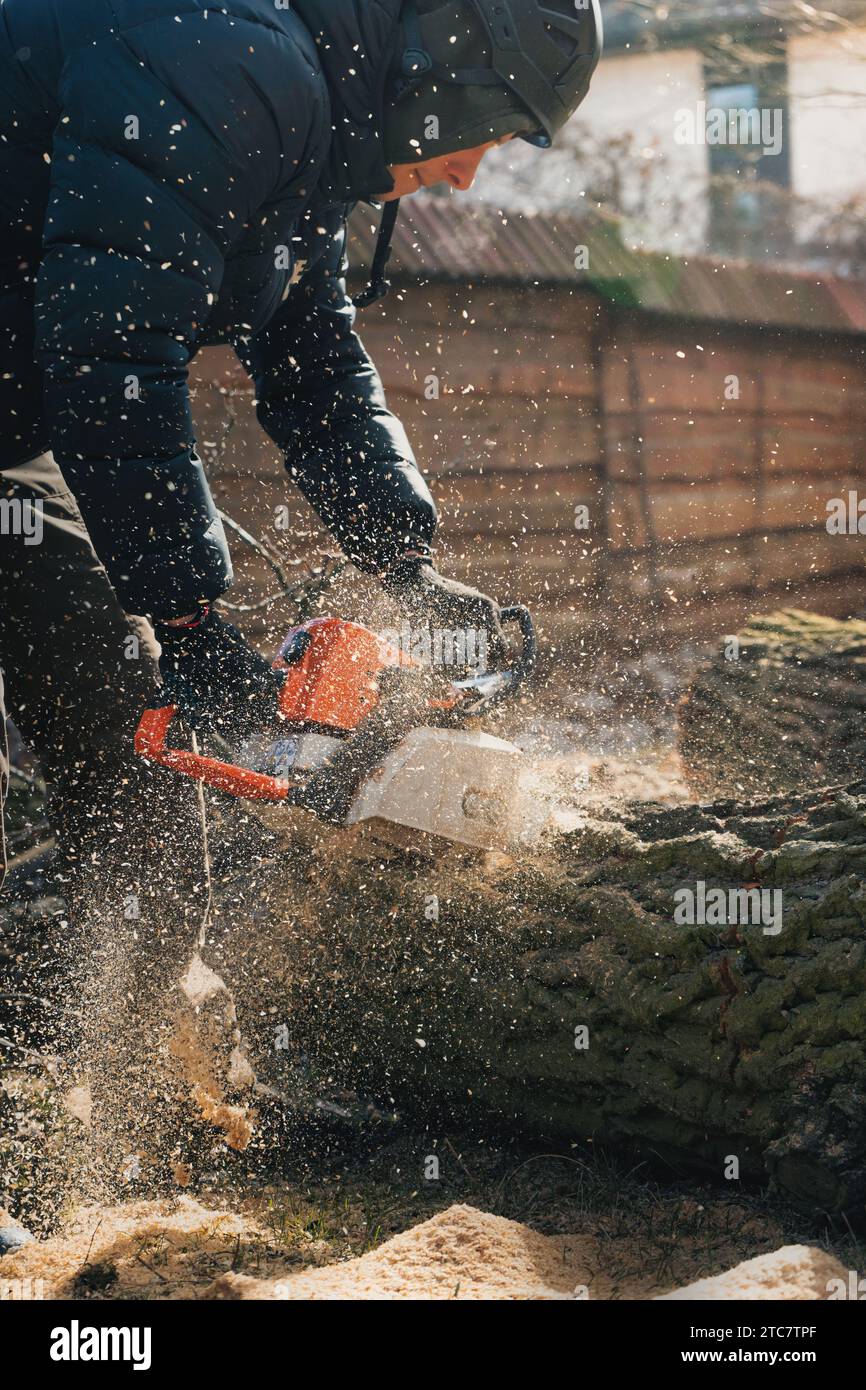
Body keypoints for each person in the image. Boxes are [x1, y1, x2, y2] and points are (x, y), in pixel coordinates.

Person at [0, 0, 600, 1184]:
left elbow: (314, 352)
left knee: (127, 751)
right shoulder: (230, 61)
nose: (473, 173)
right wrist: (188, 615)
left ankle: (116, 1131)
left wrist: (403, 563)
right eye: (486, 129)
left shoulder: (318, 133)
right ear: (443, 64)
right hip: (47, 401)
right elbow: (113, 346)